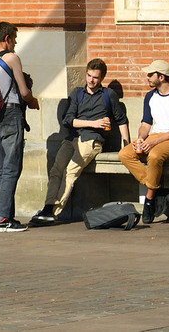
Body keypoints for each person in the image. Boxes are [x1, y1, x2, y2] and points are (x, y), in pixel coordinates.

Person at [30, 58, 129, 225]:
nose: (91, 80)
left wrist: (127, 146)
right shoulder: (77, 93)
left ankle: (53, 212)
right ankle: (47, 207)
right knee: (56, 170)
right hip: (72, 138)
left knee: (70, 171)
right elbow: (68, 120)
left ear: (102, 78)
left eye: (95, 77)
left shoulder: (108, 95)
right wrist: (93, 123)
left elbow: (121, 120)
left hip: (92, 141)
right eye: (89, 75)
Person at [0, 22, 39, 232]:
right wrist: (33, 101)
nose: (15, 43)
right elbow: (24, 92)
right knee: (12, 167)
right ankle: (1, 219)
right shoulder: (12, 58)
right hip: (11, 114)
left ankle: (6, 217)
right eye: (14, 39)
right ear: (7, 38)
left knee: (2, 169)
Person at [118, 59, 169, 224]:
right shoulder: (150, 96)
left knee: (155, 155)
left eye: (151, 74)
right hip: (155, 136)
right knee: (125, 154)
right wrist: (140, 139)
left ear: (161, 77)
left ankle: (149, 201)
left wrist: (153, 143)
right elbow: (146, 124)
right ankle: (156, 189)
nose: (148, 77)